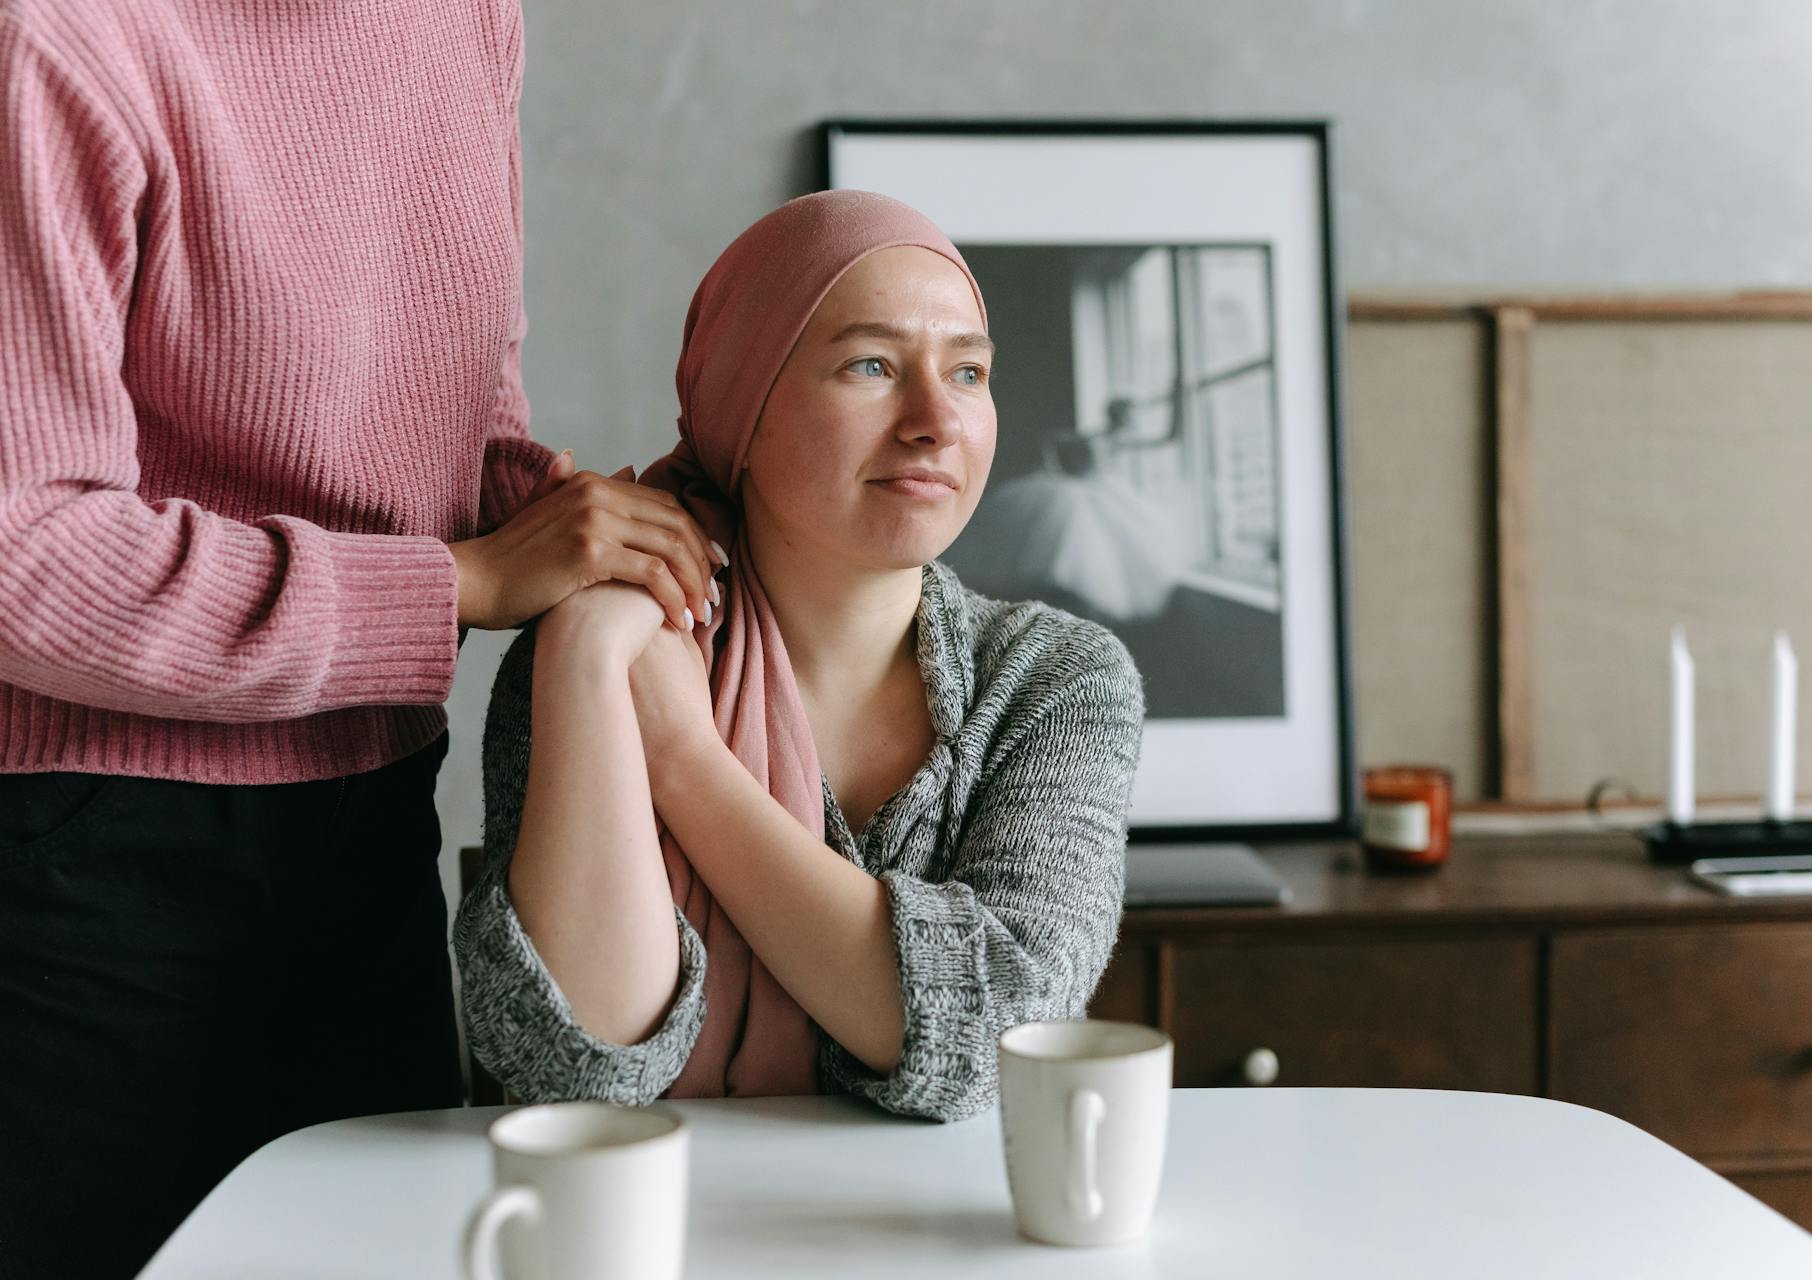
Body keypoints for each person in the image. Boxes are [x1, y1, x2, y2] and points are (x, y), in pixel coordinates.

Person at [0, 3, 719, 1275]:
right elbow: (29, 559)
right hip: (90, 857)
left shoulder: (467, 21)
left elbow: (459, 412)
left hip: (375, 809)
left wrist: (598, 521)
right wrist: (461, 583)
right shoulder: (61, 38)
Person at [455, 190, 1148, 1121]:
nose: (936, 421)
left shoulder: (1056, 681)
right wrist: (581, 646)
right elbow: (571, 1073)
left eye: (970, 374)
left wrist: (686, 761)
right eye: (871, 365)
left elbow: (999, 1039)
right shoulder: (602, 646)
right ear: (742, 405)